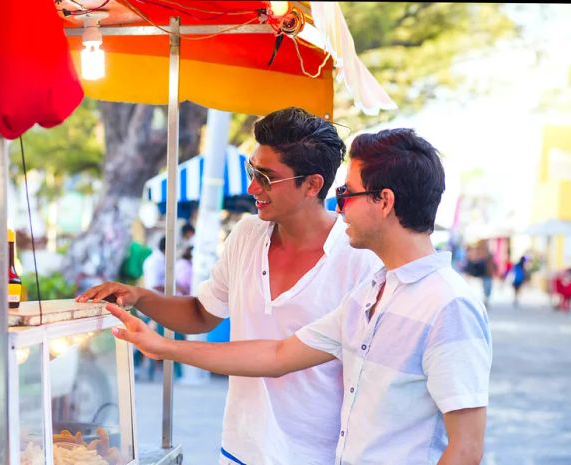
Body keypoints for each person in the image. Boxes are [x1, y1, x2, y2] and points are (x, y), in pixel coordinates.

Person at [106, 128, 492, 465]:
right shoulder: (373, 292)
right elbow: (277, 356)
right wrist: (162, 346)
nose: (339, 206)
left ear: (384, 201)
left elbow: (467, 447)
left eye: (346, 193)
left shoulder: (449, 304)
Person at [77, 107, 381, 465]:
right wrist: (140, 297)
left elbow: (286, 358)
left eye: (267, 178)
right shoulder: (247, 235)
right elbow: (202, 313)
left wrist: (165, 347)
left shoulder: (360, 257)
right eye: (252, 171)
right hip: (241, 447)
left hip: (321, 454)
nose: (253, 187)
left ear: (312, 185)